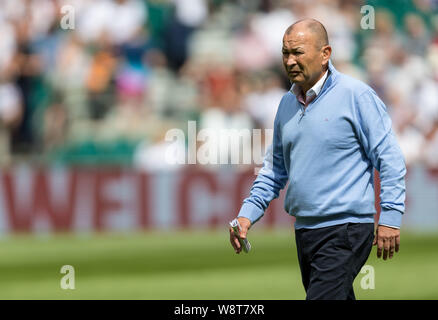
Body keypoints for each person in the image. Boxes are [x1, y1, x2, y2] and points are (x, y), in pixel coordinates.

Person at [229, 19, 406, 300]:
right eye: (285, 53)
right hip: (305, 231)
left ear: (325, 54)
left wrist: (391, 217)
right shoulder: (287, 103)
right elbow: (275, 170)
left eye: (298, 52)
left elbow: (390, 159)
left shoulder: (356, 95)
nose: (290, 60)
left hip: (346, 229)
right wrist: (247, 214)